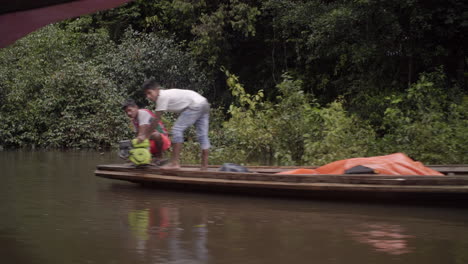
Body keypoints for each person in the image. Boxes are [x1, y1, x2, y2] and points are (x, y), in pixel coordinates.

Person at [142, 79, 210, 170]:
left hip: (195, 105)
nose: (148, 96)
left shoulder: (162, 97)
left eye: (149, 93)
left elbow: (156, 120)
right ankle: (204, 166)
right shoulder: (165, 95)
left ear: (157, 90)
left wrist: (145, 136)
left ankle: (175, 164)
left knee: (177, 130)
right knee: (202, 135)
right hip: (203, 103)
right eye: (146, 94)